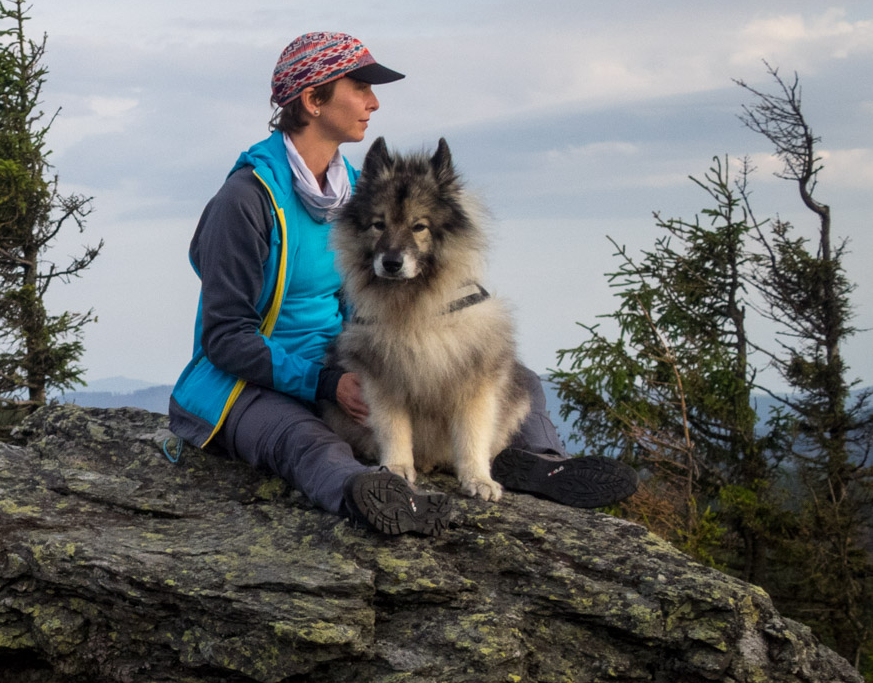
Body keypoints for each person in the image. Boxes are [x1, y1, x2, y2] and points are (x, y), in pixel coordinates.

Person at [167, 31, 635, 534]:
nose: (374, 101)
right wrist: (327, 382)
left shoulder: (360, 189)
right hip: (250, 382)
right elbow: (224, 338)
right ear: (313, 99)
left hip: (344, 359)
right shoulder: (247, 200)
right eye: (360, 86)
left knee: (509, 374)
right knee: (307, 440)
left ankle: (542, 463)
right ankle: (372, 495)